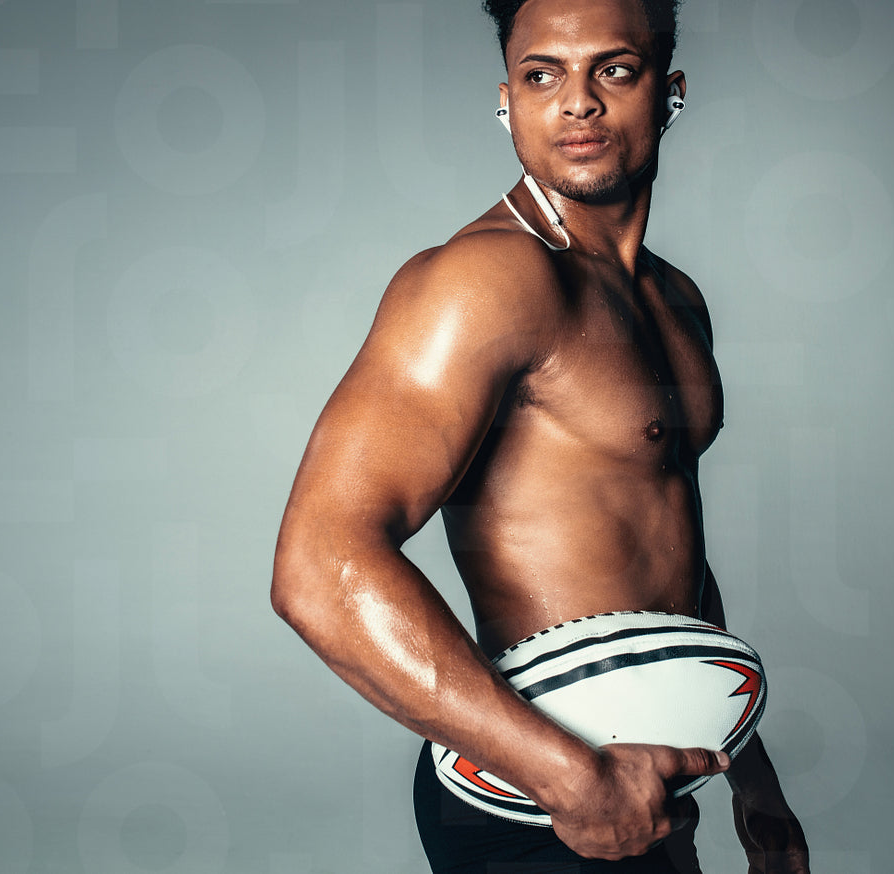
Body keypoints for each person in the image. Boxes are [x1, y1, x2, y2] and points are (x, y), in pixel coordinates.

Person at [272, 0, 811, 870]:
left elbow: (662, 548)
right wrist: (572, 780)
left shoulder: (674, 299)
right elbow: (318, 565)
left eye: (614, 69)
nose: (578, 101)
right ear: (507, 100)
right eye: (541, 74)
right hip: (537, 793)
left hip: (653, 779)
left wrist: (753, 778)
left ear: (669, 92)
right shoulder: (486, 280)